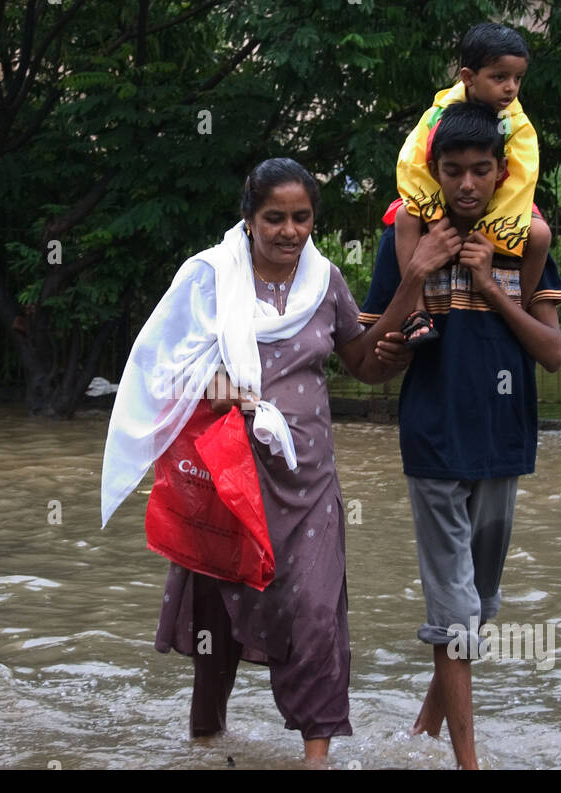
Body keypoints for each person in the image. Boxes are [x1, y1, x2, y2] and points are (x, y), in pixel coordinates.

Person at [101, 158, 448, 762]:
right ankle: (207, 743)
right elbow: (159, 369)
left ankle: (317, 759)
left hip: (306, 479)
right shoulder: (208, 279)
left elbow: (363, 365)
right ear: (249, 217)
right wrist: (212, 386)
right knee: (216, 619)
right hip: (224, 477)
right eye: (275, 218)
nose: (290, 231)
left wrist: (411, 284)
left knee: (316, 614)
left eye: (302, 218)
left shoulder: (325, 282)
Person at [358, 103, 561, 768]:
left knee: (479, 605)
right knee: (454, 611)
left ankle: (424, 726)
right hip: (433, 439)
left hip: (503, 441)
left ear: (502, 172)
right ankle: (467, 763)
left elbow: (553, 354)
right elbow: (370, 357)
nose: (468, 184)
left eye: (481, 171)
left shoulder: (522, 240)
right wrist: (419, 271)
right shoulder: (408, 237)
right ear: (436, 173)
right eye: (454, 171)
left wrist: (490, 286)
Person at [391, 22, 550, 347]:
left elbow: (521, 181)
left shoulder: (517, 125)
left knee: (541, 234)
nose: (511, 88)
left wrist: (489, 228)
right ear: (468, 77)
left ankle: (520, 302)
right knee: (406, 217)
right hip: (441, 199)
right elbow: (413, 165)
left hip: (504, 201)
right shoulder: (438, 114)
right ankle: (416, 313)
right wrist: (436, 218)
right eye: (500, 77)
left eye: (518, 78)